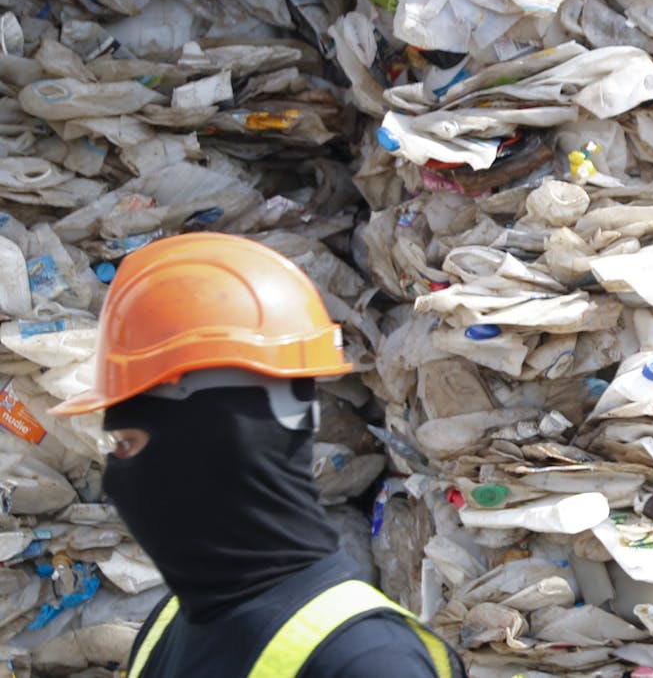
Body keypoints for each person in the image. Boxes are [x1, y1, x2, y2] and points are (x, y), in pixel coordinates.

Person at [51, 232, 462, 678]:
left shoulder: (368, 661)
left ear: (217, 441)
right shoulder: (168, 626)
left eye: (130, 444)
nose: (116, 480)